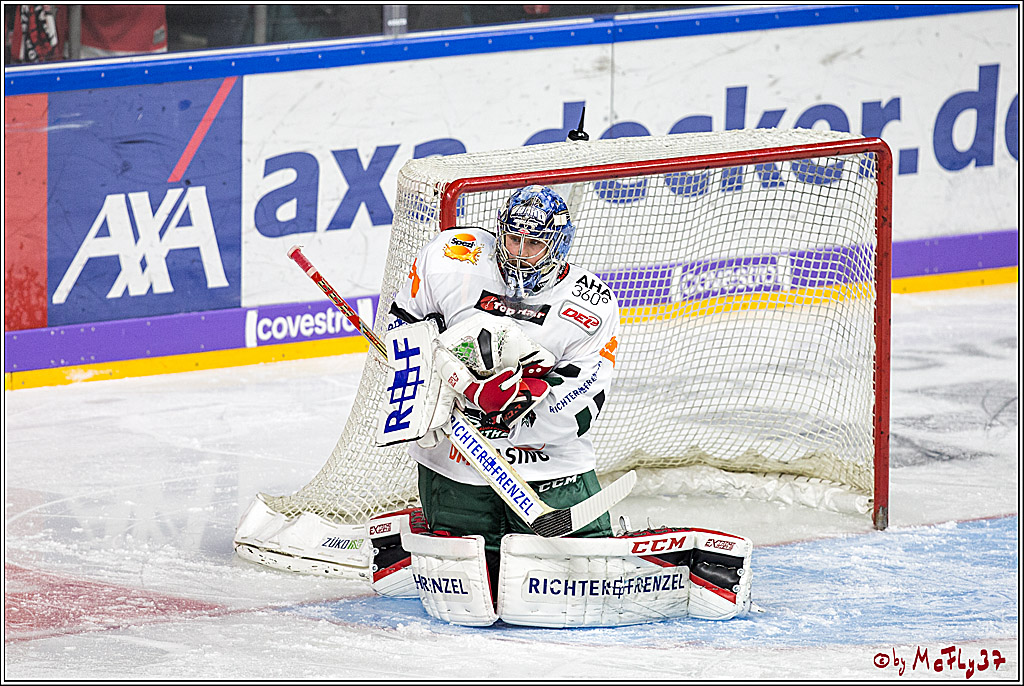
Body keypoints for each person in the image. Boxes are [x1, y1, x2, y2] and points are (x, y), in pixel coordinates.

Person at [384, 184, 620, 596]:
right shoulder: (451, 258)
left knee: (588, 577)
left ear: (558, 246)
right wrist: (432, 397)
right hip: (454, 466)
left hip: (550, 468)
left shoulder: (590, 304)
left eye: (535, 244)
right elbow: (402, 328)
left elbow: (582, 403)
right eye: (513, 239)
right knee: (464, 586)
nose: (519, 253)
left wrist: (513, 408)